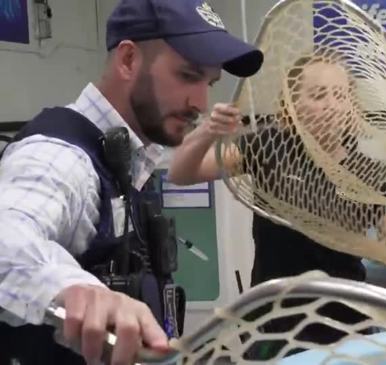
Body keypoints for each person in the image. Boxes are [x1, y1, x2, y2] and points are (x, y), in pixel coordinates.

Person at [169, 52, 386, 357]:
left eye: (341, 95)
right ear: (291, 106)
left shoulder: (372, 176)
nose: (333, 105)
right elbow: (181, 173)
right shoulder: (267, 148)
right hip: (273, 325)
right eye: (319, 95)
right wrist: (208, 131)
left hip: (344, 328)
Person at [0, 1, 263, 364]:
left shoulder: (129, 164)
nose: (201, 102)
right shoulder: (59, 155)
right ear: (128, 61)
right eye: (188, 75)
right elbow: (7, 238)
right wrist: (77, 291)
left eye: (211, 82)